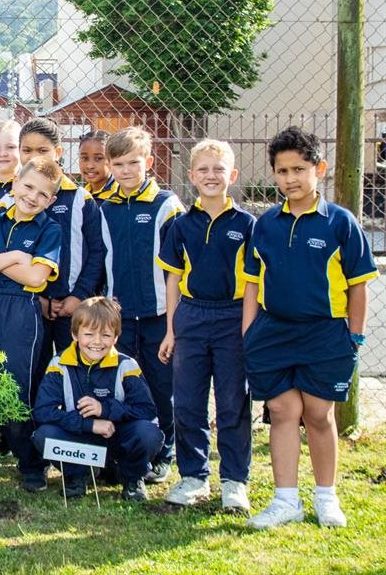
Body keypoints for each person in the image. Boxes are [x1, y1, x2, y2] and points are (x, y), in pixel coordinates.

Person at [243, 127, 377, 529]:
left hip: (325, 333)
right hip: (273, 333)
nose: (290, 179)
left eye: (298, 169)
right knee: (283, 410)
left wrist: (353, 337)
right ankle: (286, 501)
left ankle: (326, 497)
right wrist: (249, 332)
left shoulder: (340, 223)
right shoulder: (264, 224)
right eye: (282, 171)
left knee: (318, 414)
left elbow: (359, 284)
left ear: (318, 168)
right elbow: (252, 282)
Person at [156, 139, 254, 511]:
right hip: (191, 319)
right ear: (192, 175)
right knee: (188, 402)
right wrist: (171, 330)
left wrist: (247, 329)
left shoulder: (246, 224)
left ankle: (234, 480)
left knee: (232, 402)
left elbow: (253, 284)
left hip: (231, 320)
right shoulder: (181, 224)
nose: (211, 176)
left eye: (219, 169)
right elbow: (172, 280)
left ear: (232, 175)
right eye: (204, 170)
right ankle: (194, 476)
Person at [0, 155, 63, 491]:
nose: (32, 196)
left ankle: (29, 463)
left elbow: (36, 279)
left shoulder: (50, 229)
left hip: (22, 313)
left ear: (51, 200)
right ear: (16, 182)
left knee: (16, 386)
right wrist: (16, 258)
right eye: (28, 186)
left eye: (42, 194)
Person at [99, 126, 185, 485]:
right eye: (118, 164)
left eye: (133, 162)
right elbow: (100, 258)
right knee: (125, 386)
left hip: (158, 316)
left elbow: (179, 265)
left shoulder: (167, 205)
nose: (126, 171)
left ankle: (164, 452)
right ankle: (130, 452)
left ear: (148, 162)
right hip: (120, 317)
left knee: (161, 387)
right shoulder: (104, 208)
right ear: (110, 166)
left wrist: (172, 323)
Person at [31, 297, 163, 501]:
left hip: (116, 437)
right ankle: (77, 475)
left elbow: (147, 411)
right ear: (75, 334)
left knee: (148, 433)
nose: (97, 342)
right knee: (44, 435)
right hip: (81, 435)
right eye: (89, 334)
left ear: (116, 338)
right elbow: (42, 411)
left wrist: (105, 409)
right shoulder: (59, 363)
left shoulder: (126, 365)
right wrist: (89, 424)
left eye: (106, 335)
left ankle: (132, 478)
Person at [12, 119, 106, 359]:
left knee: (75, 370)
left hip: (73, 307)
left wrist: (79, 296)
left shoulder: (81, 200)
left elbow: (97, 252)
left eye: (43, 150)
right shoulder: (10, 201)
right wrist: (36, 299)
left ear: (59, 152)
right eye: (27, 150)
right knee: (32, 372)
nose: (34, 157)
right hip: (30, 304)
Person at [78, 130, 115, 203]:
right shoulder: (80, 195)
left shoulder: (119, 194)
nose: (90, 166)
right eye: (85, 158)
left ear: (111, 160)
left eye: (98, 158)